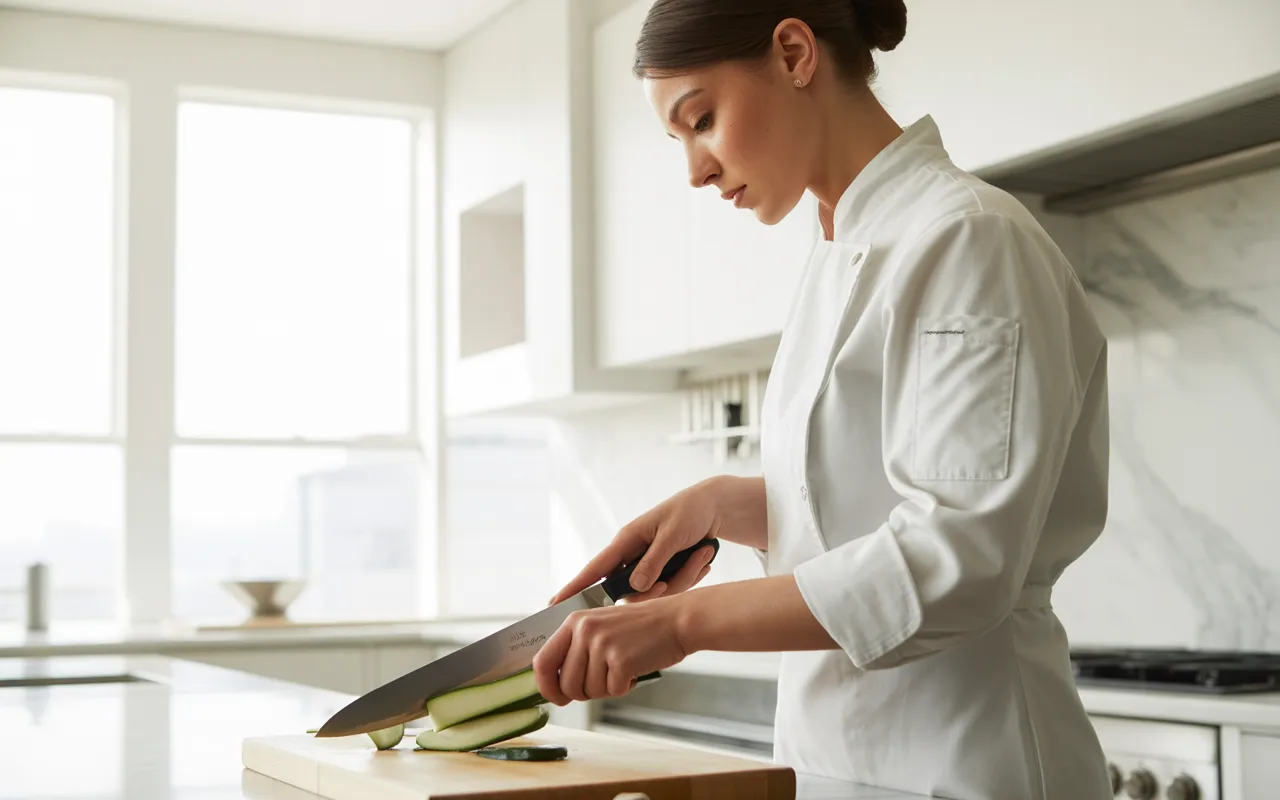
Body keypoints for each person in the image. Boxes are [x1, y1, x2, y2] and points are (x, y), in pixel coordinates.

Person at [532, 1, 1113, 797]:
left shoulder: (966, 238)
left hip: (968, 759)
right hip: (835, 760)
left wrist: (681, 622)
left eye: (702, 120)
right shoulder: (838, 251)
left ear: (795, 52)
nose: (696, 171)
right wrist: (726, 504)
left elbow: (960, 557)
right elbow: (855, 506)